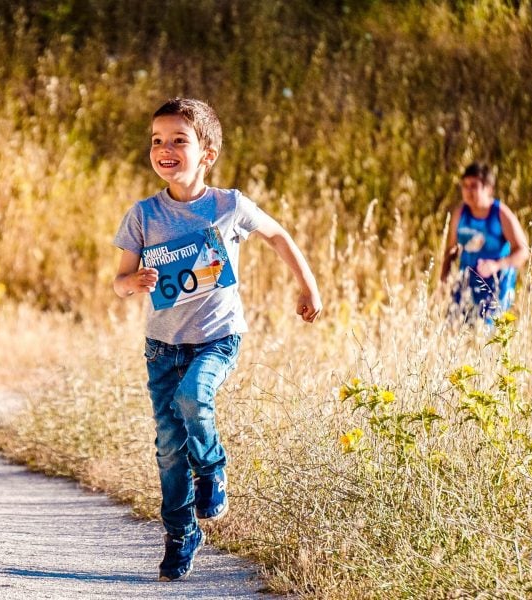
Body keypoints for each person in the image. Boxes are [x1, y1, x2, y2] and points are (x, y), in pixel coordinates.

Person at [113, 97, 322, 582]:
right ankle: (181, 533)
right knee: (168, 446)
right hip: (162, 347)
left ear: (206, 153)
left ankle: (212, 468)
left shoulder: (228, 205)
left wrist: (307, 285)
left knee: (194, 398)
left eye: (178, 141)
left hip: (217, 338)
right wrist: (134, 283)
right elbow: (120, 280)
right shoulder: (143, 215)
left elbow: (277, 236)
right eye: (157, 141)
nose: (165, 149)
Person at [440, 162, 530, 322]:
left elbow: (523, 251)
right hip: (466, 282)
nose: (468, 191)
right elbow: (451, 250)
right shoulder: (460, 214)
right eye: (465, 185)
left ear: (488, 188)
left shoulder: (501, 214)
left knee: (485, 337)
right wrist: (443, 279)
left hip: (496, 286)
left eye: (474, 185)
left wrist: (496, 265)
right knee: (453, 329)